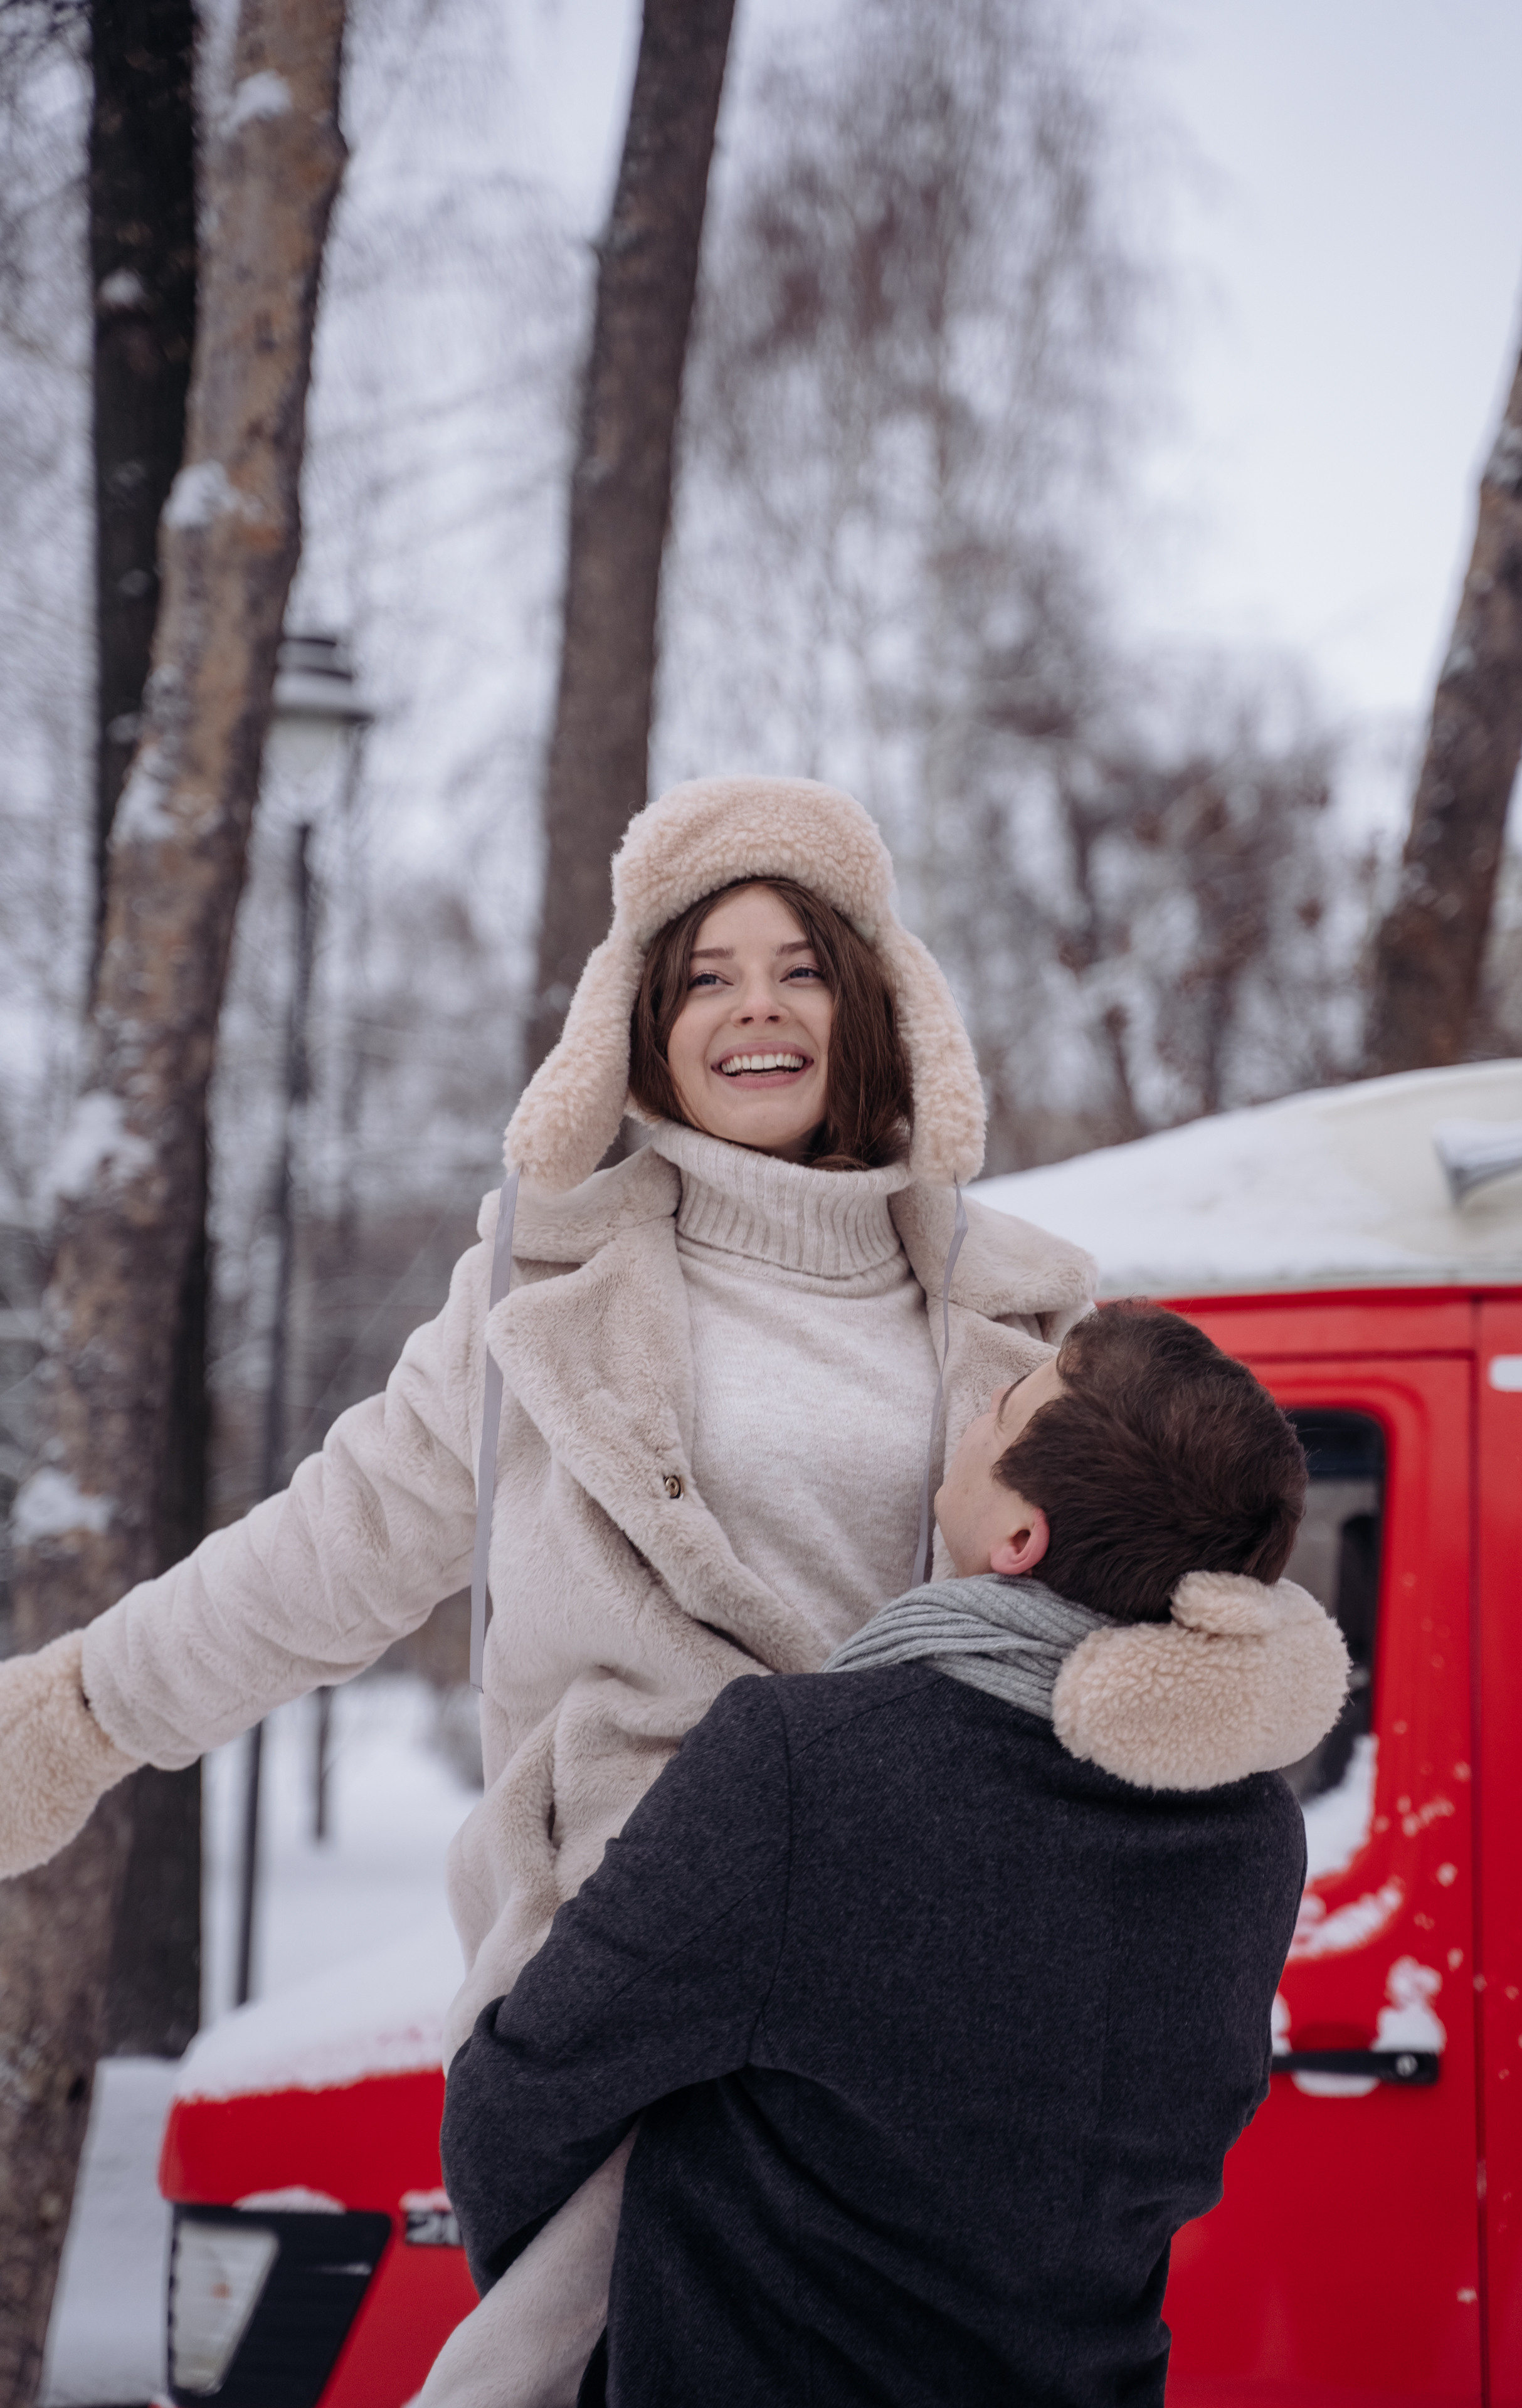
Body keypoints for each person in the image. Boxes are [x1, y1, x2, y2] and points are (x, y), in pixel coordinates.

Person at [0, 776, 1333, 2406]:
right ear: (635, 1025)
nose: (754, 1006)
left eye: (800, 967)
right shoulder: (545, 1296)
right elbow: (329, 1549)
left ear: (875, 1003)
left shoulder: (1022, 1308)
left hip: (921, 2008)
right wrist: (81, 1711)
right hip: (633, 1981)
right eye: (705, 974)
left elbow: (1156, 1583)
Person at [441, 1302, 1348, 2407]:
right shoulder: (1251, 1833)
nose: (978, 1407)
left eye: (1007, 1408)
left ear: (1020, 1542)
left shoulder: (804, 1769)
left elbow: (522, 2095)